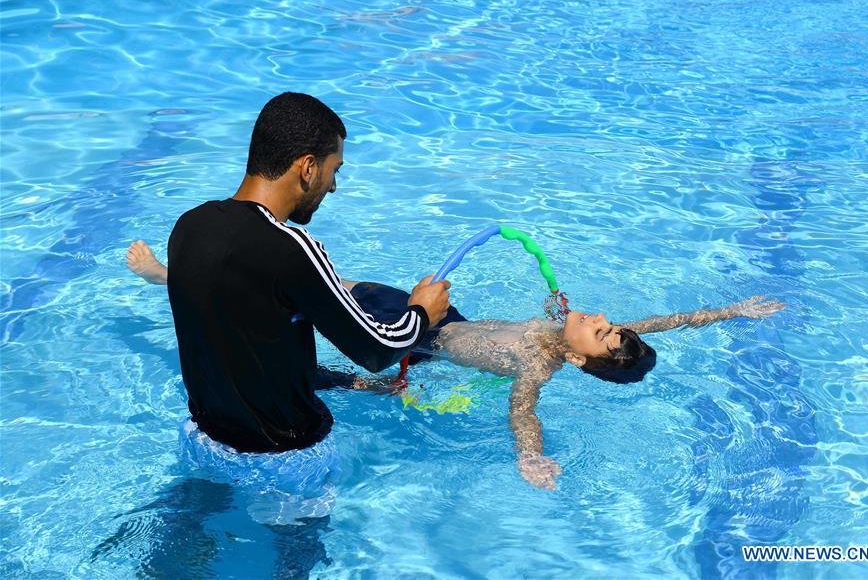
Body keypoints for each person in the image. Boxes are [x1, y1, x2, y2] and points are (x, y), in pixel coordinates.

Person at [128, 242, 784, 490]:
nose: (604, 317)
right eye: (607, 323)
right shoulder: (567, 334)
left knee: (316, 295)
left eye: (604, 332)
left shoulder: (538, 361)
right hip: (448, 322)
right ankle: (350, 378)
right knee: (327, 293)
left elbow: (522, 409)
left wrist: (530, 456)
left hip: (425, 337)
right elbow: (657, 322)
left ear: (584, 359)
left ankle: (168, 275)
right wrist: (727, 312)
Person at [158, 93, 451, 486]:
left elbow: (247, 347)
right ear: (308, 168)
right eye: (334, 170)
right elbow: (376, 348)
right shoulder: (292, 248)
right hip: (287, 462)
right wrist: (420, 312)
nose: (333, 187)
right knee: (301, 548)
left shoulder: (189, 227)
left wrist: (347, 383)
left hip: (206, 441)